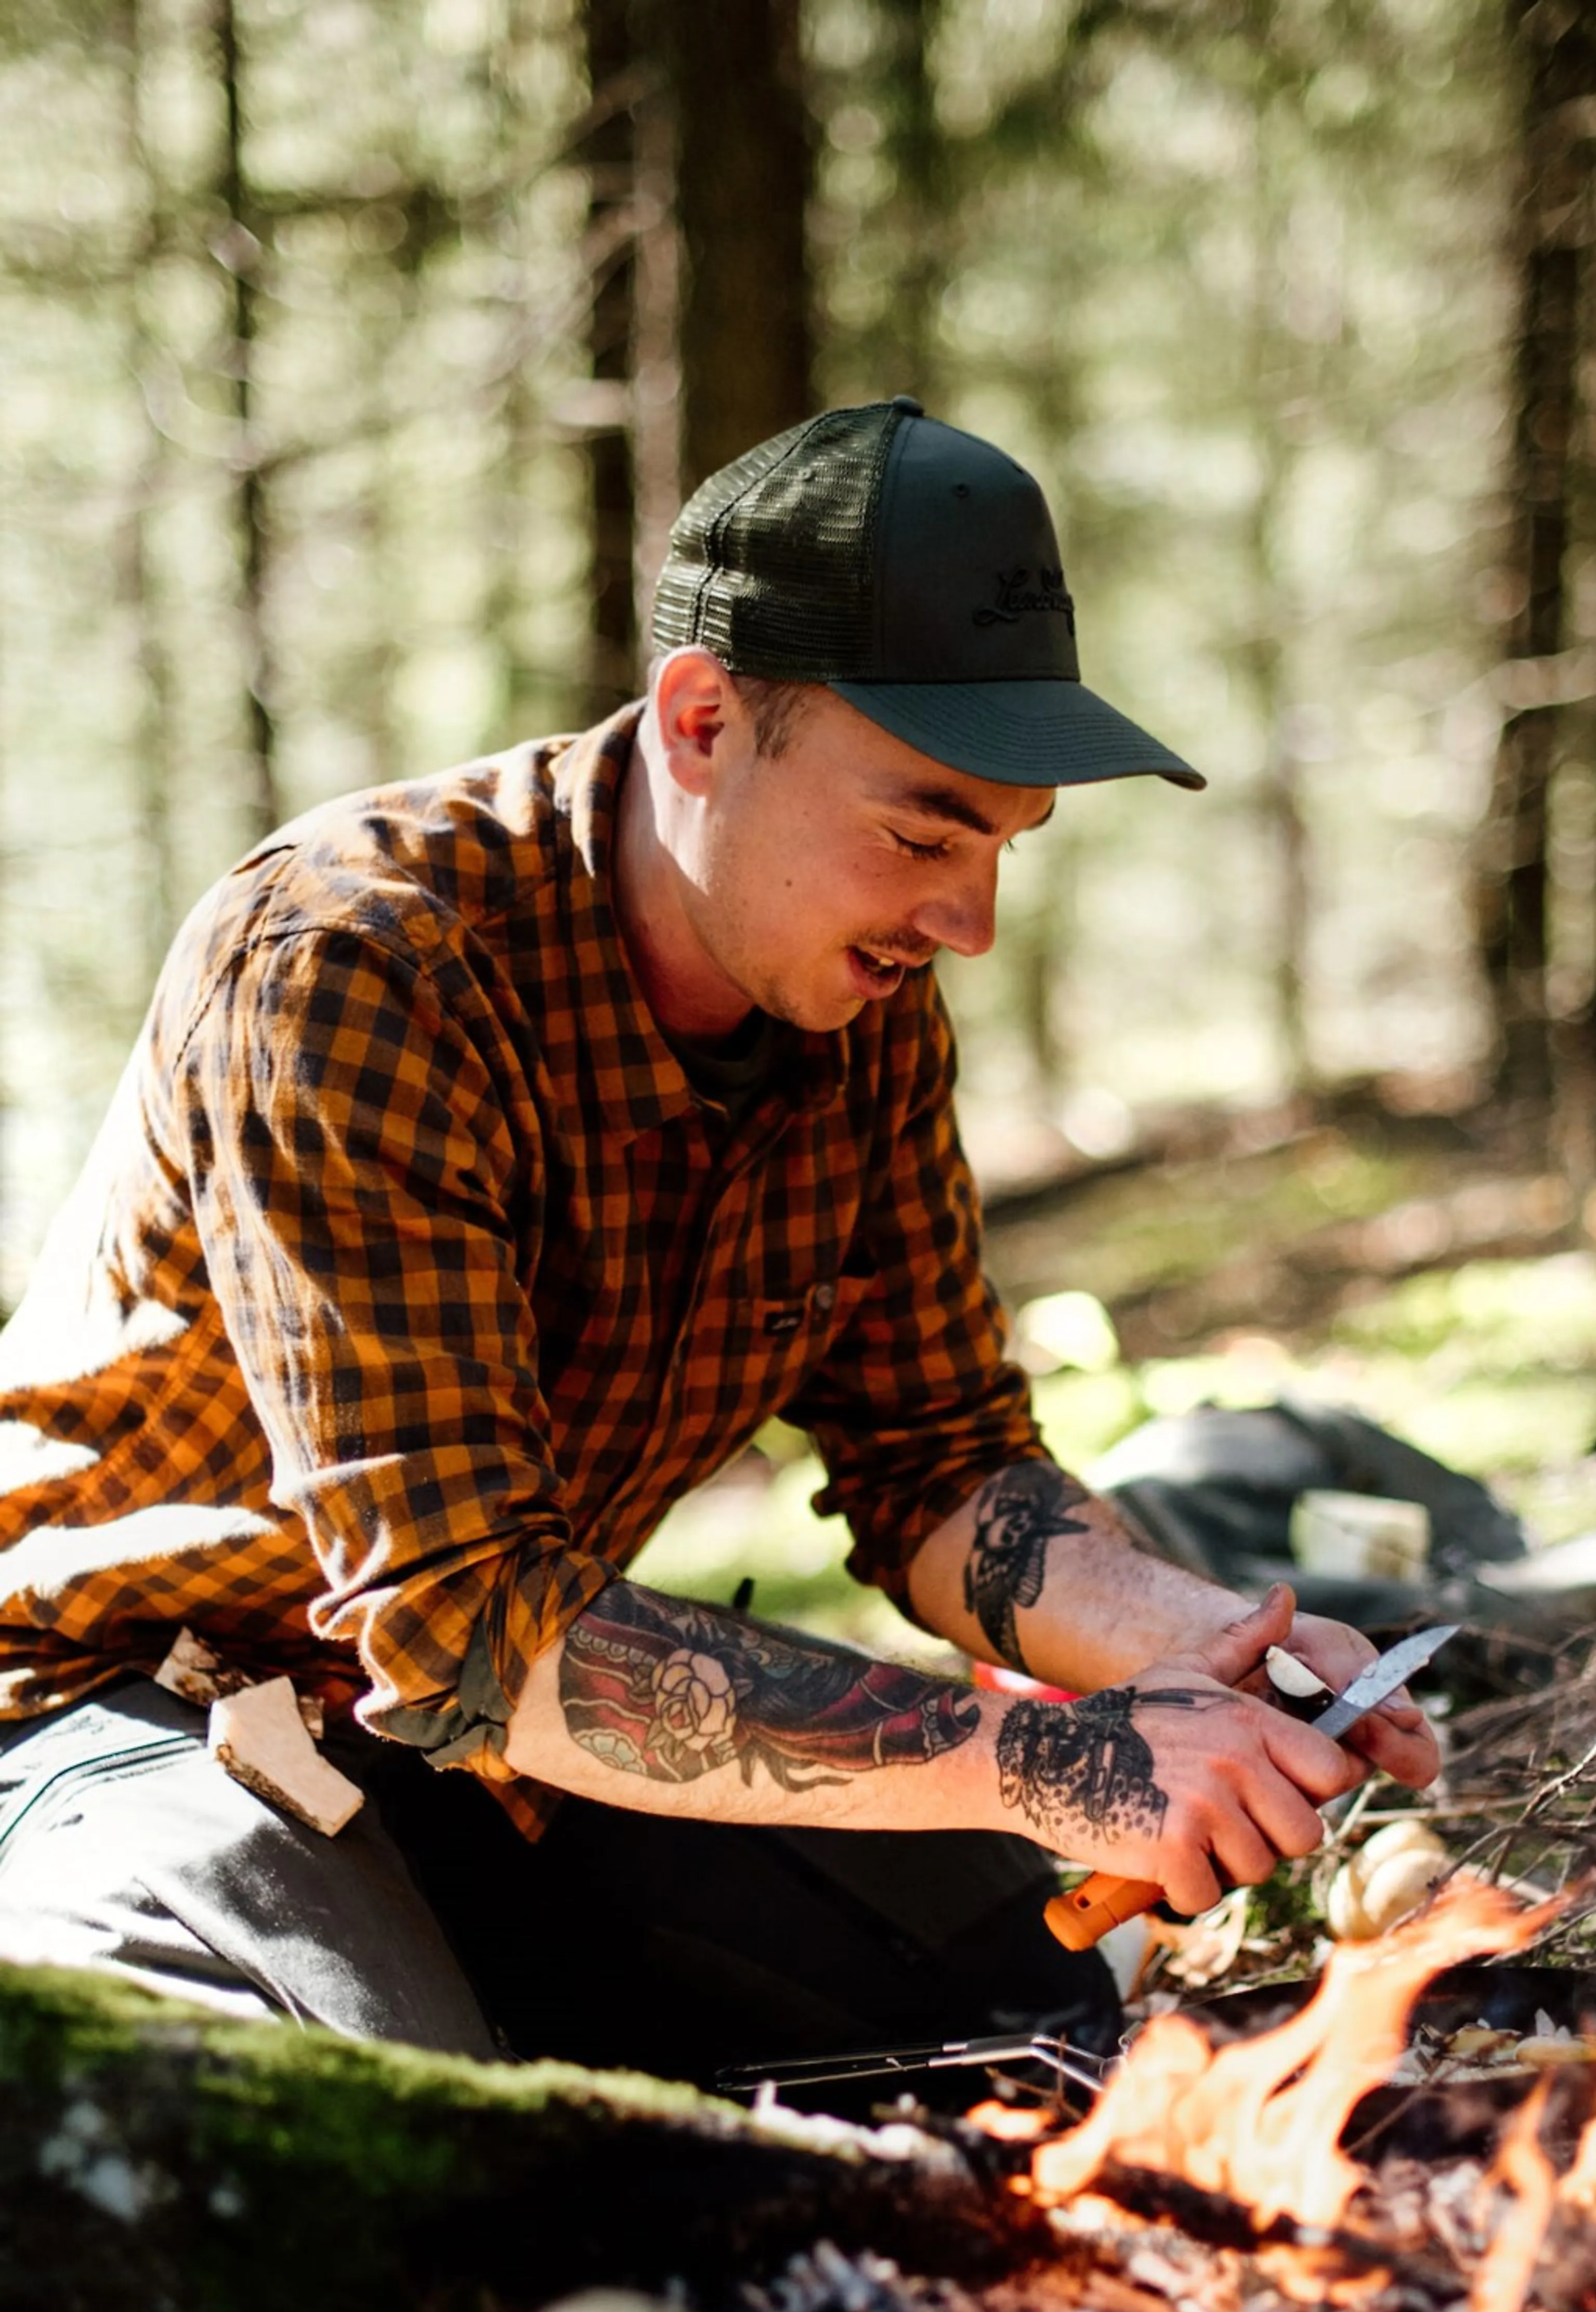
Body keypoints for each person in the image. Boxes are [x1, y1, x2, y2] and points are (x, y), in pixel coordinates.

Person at [0, 397, 1436, 2083]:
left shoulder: (855, 995)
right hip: (130, 1705)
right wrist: (1053, 1764)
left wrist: (1190, 1642)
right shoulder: (353, 964)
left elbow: (942, 1464)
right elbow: (469, 1620)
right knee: (383, 2147)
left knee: (1011, 2006)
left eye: (1003, 847)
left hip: (484, 1743)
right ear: (701, 720)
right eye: (922, 830)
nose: (967, 922)